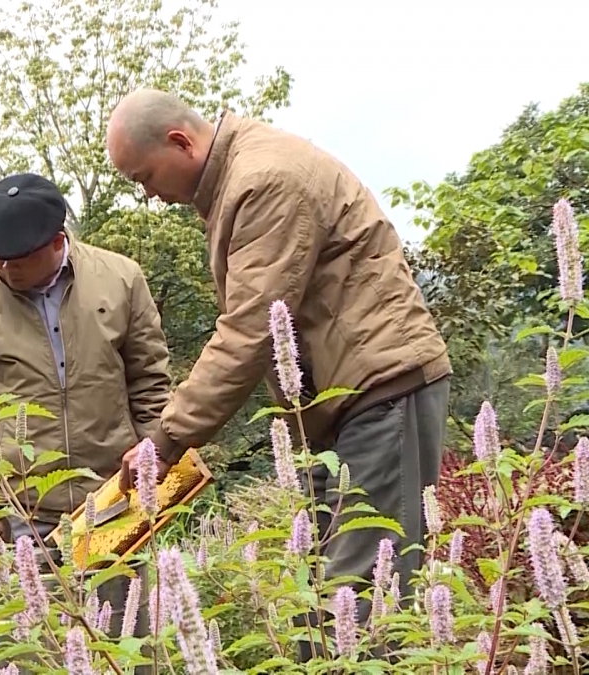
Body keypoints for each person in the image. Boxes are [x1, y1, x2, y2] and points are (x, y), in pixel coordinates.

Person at [105, 89, 451, 656]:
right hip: (338, 407)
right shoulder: (240, 179)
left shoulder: (264, 180)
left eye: (143, 176)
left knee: (362, 594)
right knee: (319, 594)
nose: (146, 194)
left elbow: (251, 331)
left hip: (381, 391)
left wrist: (166, 438)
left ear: (179, 141)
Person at [0, 172, 172, 542]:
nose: (5, 269)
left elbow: (150, 384)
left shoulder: (121, 280)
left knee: (125, 599)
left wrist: (153, 466)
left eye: (18, 259)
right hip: (20, 512)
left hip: (112, 499)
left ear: (57, 241)